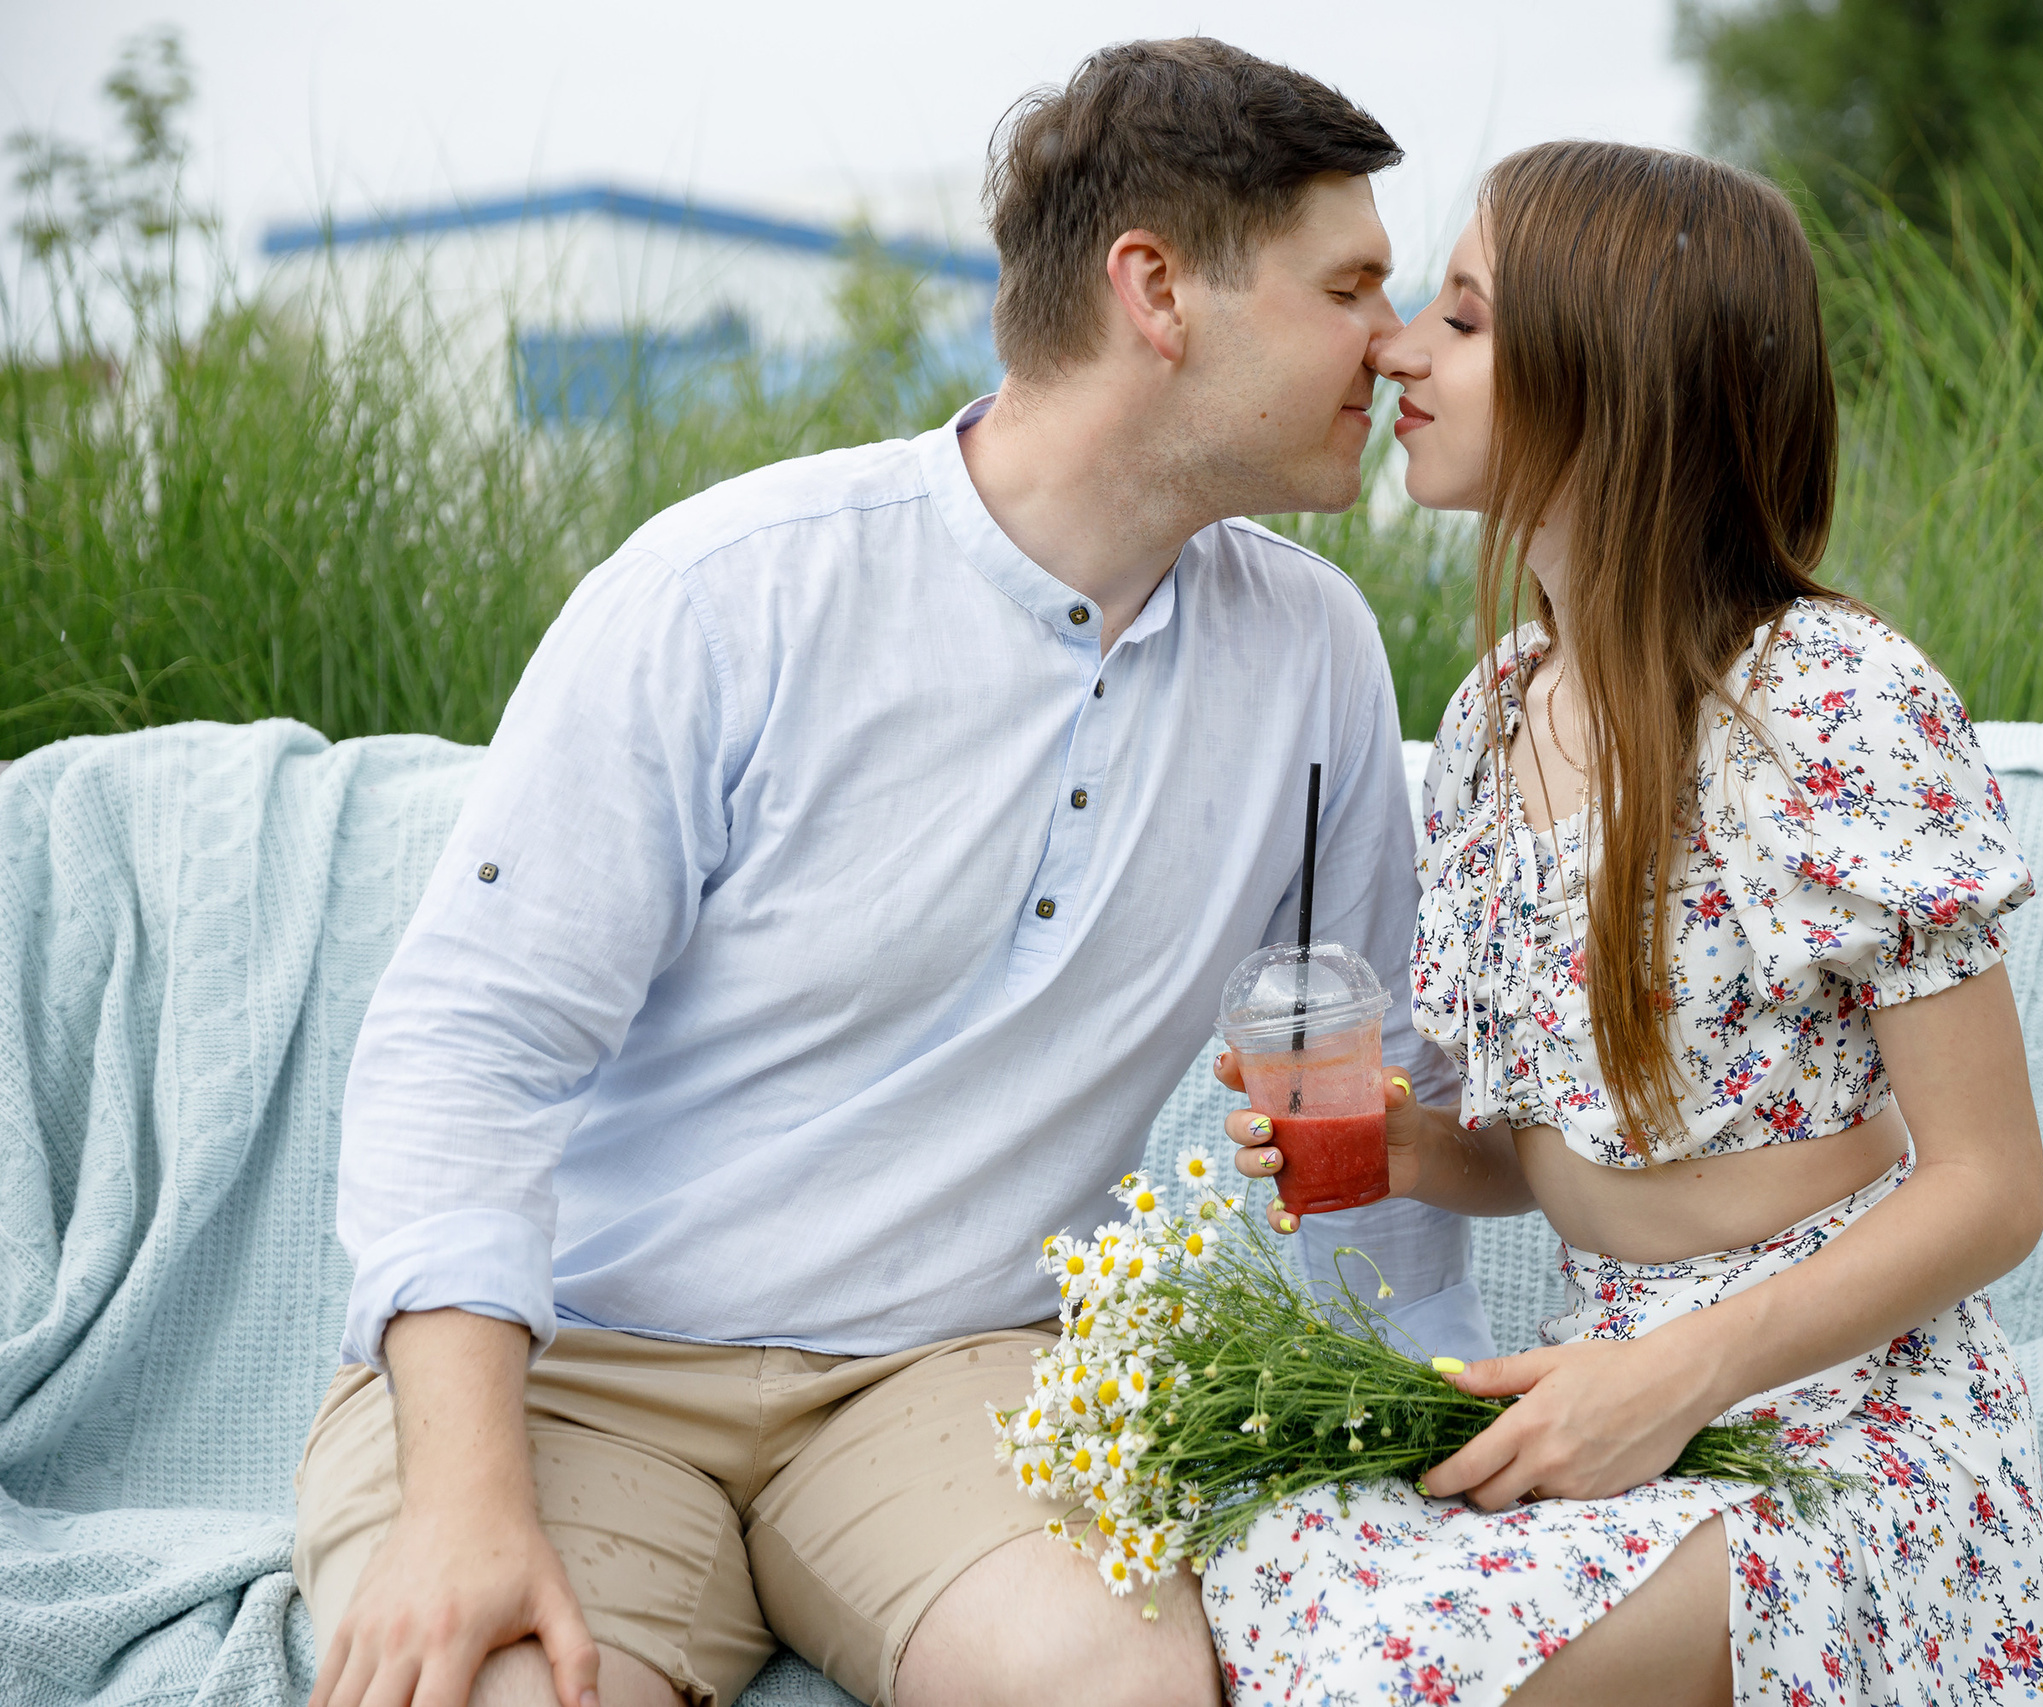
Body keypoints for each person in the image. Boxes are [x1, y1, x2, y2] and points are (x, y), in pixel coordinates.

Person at [294, 39, 1486, 1707]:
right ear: (1159, 290)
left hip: (962, 1381)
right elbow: (466, 1048)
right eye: (1352, 284)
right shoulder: (732, 593)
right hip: (581, 1366)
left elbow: (1378, 1075)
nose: (1398, 341)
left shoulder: (1315, 653)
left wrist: (1396, 1425)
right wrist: (466, 1505)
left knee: (1125, 1693)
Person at [1210, 142, 2043, 1706]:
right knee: (1259, 1569)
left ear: (1610, 380)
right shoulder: (1488, 721)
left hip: (1839, 1416)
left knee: (1386, 1679)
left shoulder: (1830, 704)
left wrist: (1676, 1378)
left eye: (1462, 321)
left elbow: (1995, 1188)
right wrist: (1403, 1153)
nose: (1400, 346)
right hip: (1609, 1384)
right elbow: (1561, 1150)